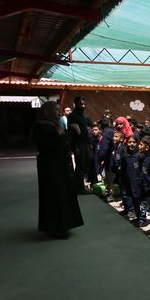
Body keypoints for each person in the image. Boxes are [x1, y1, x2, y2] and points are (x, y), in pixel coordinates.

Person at [32, 101, 83, 239]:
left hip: (61, 166)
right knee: (54, 195)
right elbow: (48, 147)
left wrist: (71, 131)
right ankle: (55, 227)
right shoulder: (41, 127)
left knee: (64, 194)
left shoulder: (54, 124)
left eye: (57, 109)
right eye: (54, 110)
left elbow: (66, 144)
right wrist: (61, 133)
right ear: (47, 111)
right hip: (51, 167)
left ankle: (63, 225)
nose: (57, 112)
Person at [67, 97, 92, 194]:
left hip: (84, 144)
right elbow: (72, 134)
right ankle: (79, 188)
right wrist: (74, 147)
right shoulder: (73, 116)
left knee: (84, 166)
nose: (83, 106)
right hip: (78, 144)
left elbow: (83, 132)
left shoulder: (82, 116)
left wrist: (89, 144)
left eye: (84, 104)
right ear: (75, 104)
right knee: (79, 167)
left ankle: (79, 186)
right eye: (81, 104)